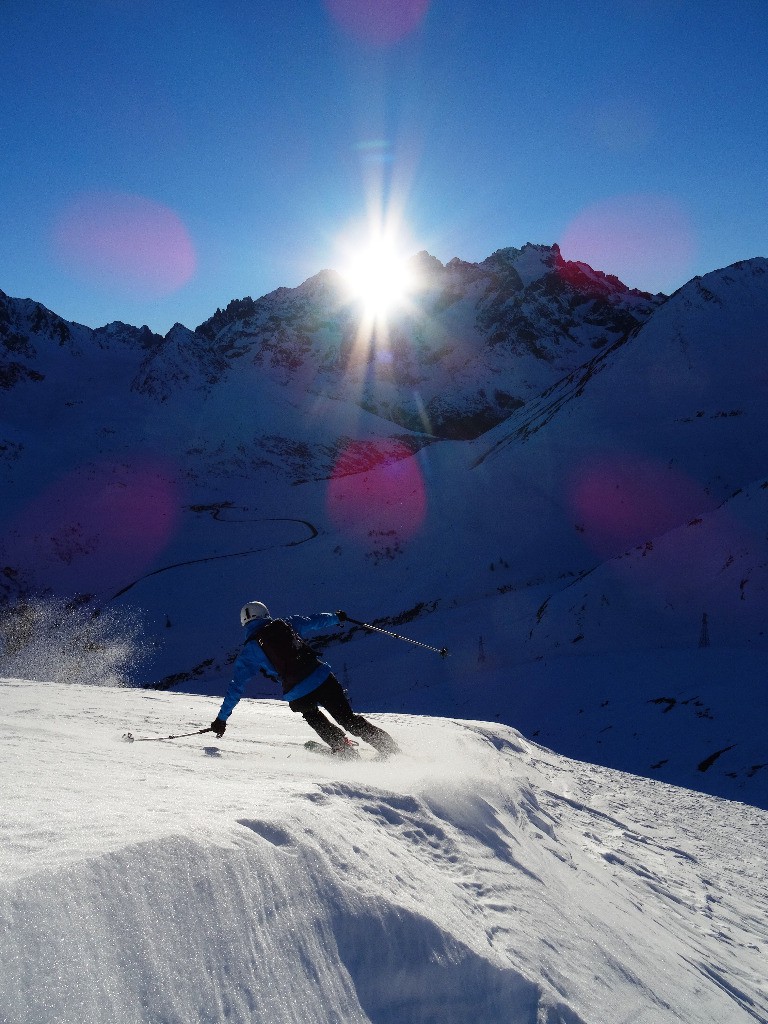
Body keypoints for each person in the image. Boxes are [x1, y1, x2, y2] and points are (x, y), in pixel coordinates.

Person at [209, 601, 398, 758]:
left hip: (297, 692)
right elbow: (314, 621)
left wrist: (221, 719)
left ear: (244, 623)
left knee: (312, 716)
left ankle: (342, 747)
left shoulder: (249, 651)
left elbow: (236, 688)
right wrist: (337, 617)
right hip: (320, 677)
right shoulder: (285, 624)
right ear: (265, 614)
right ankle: (389, 749)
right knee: (347, 719)